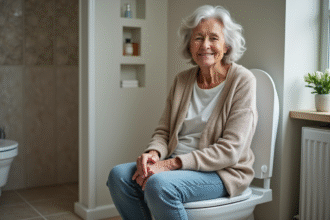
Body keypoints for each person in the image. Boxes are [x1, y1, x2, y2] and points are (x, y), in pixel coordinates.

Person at [107, 5, 258, 220]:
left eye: (214, 38)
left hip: (221, 172)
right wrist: (154, 154)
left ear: (226, 45)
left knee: (159, 185)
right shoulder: (182, 80)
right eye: (198, 38)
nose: (205, 45)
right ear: (189, 45)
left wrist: (170, 165)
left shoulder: (242, 80)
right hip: (178, 165)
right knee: (119, 176)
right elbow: (164, 131)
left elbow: (231, 150)